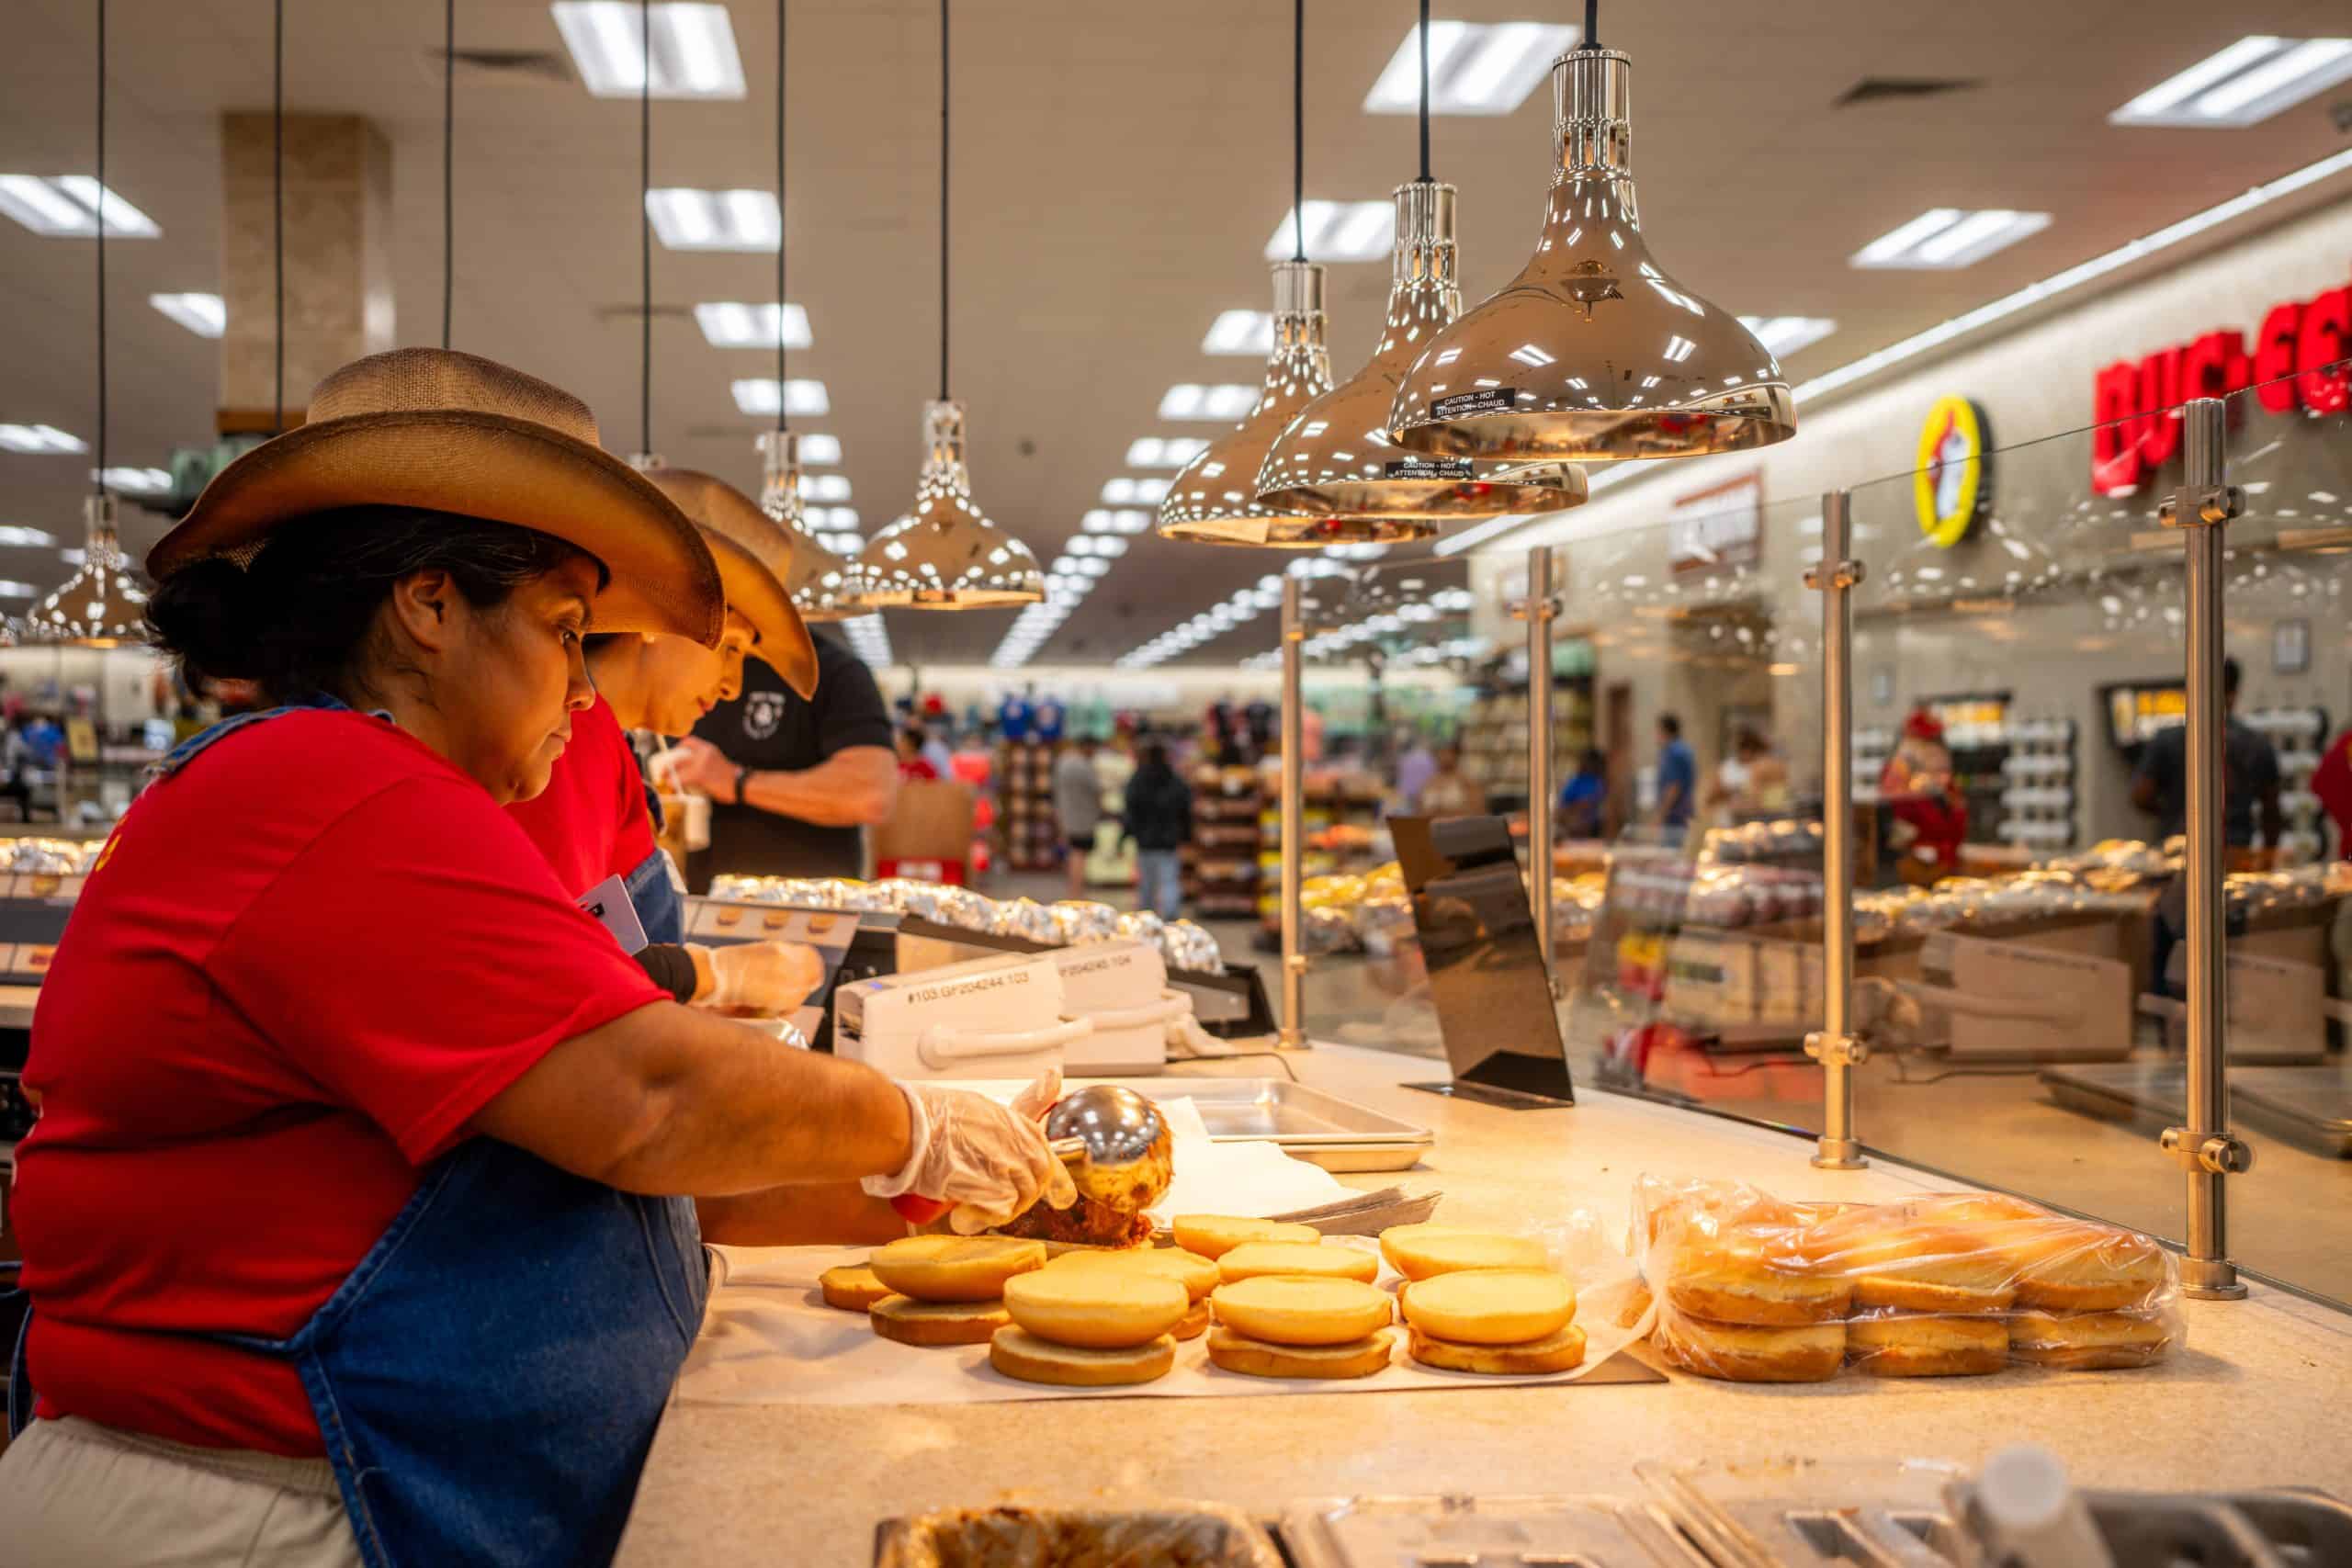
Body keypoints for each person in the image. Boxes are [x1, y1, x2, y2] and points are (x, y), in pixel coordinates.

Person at [0, 348, 1071, 1568]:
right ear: (430, 602)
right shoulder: (325, 789)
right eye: (567, 632)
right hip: (261, 1508)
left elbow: (641, 1169)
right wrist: (907, 1120)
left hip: (367, 1483)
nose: (583, 686)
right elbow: (648, 1095)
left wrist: (929, 1178)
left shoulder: (404, 802)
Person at [506, 464, 823, 1012]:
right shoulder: (569, 739)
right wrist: (716, 975)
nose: (732, 687)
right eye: (732, 650)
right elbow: (554, 966)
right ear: (659, 615)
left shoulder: (604, 740)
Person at [665, 630, 899, 887]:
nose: (730, 686)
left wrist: (736, 781)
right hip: (698, 903)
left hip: (809, 912)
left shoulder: (832, 669)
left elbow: (871, 794)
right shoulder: (687, 659)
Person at [2132, 657, 2283, 856]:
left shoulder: (2167, 740)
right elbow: (2271, 814)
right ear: (2234, 694)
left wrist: (2171, 812)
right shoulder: (2257, 745)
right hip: (2234, 854)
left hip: (2178, 851)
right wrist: (2267, 859)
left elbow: (2141, 796)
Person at [1881, 707, 1968, 883]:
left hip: (1946, 865)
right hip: (1915, 868)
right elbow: (1896, 827)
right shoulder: (1897, 774)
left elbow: (1958, 820)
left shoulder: (1945, 780)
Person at [1123, 739, 1192, 919]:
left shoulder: (1137, 780)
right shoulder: (1175, 780)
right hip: (1168, 841)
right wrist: (1186, 834)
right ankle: (1170, 917)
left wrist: (1126, 834)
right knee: (1169, 881)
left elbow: (1130, 809)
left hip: (1145, 841)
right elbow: (1185, 809)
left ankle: (1147, 919)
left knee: (1146, 883)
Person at [1055, 734, 1104, 897]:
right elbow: (1097, 790)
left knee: (1073, 853)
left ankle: (1073, 890)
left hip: (1067, 815)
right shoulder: (1084, 766)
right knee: (1079, 855)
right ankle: (1077, 891)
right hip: (1083, 817)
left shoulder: (1063, 763)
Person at [1653, 713, 1697, 833]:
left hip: (1675, 815)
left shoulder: (1673, 752)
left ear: (1665, 731)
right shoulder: (1684, 749)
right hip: (1683, 813)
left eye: (1657, 731)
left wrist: (1660, 815)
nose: (1655, 735)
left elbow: (1674, 786)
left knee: (1673, 848)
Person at [1418, 744, 1487, 818]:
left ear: (1456, 756)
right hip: (1432, 826)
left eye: (1447, 753)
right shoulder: (1429, 783)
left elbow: (1478, 812)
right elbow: (1419, 811)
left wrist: (1447, 811)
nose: (1444, 757)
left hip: (1458, 826)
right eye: (1440, 753)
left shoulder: (1468, 782)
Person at [1558, 747, 1608, 840]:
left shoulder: (1599, 782)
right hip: (1575, 827)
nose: (1583, 764)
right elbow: (1563, 807)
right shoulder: (1576, 781)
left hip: (1592, 830)